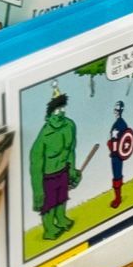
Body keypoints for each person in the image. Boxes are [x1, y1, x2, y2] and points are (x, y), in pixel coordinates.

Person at [29, 88, 81, 241]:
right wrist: (38, 191)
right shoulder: (44, 136)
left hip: (63, 170)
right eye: (57, 109)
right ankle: (49, 228)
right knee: (49, 202)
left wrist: (72, 170)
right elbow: (35, 165)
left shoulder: (70, 126)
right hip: (48, 176)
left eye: (62, 108)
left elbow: (71, 150)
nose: (61, 112)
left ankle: (62, 218)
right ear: (50, 113)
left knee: (62, 197)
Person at [108, 99, 132, 208]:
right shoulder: (115, 124)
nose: (116, 110)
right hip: (113, 154)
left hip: (118, 155)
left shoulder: (122, 124)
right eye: (115, 108)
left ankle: (118, 198)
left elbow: (125, 140)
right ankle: (117, 196)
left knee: (117, 175)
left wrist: (117, 148)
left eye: (118, 108)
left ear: (120, 110)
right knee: (115, 175)